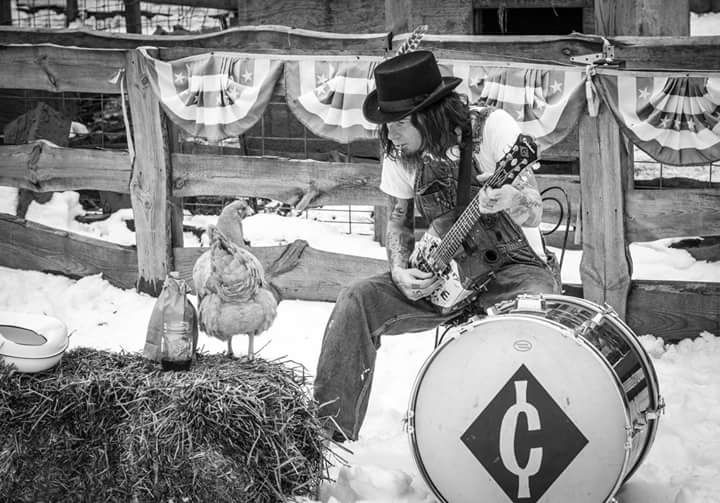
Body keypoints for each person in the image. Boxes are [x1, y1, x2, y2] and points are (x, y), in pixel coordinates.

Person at [313, 50, 561, 442]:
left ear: (429, 115)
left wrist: (514, 199)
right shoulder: (401, 153)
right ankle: (327, 434)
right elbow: (398, 221)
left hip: (514, 273)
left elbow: (535, 209)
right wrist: (399, 270)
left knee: (536, 319)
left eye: (399, 123)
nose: (391, 134)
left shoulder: (492, 127)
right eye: (387, 123)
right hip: (445, 278)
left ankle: (537, 436)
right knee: (356, 299)